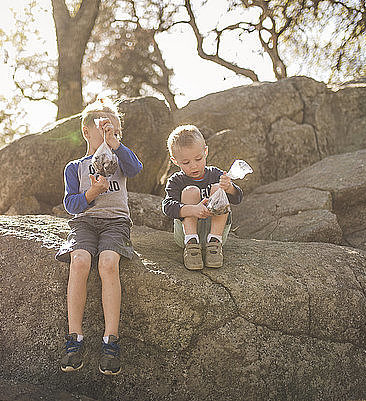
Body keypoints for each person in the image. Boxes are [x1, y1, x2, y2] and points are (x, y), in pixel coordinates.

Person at [55, 97, 143, 376]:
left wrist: (116, 145)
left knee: (107, 262)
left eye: (113, 130)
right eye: (102, 128)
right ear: (85, 131)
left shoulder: (120, 161)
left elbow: (136, 169)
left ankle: (111, 340)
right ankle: (75, 337)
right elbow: (71, 205)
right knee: (79, 260)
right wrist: (91, 194)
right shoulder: (75, 167)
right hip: (85, 223)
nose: (107, 134)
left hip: (116, 223)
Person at [161, 124, 243, 270]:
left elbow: (237, 198)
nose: (193, 166)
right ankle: (192, 246)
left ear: (205, 152)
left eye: (198, 159)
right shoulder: (176, 180)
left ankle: (214, 244)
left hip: (216, 232)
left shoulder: (215, 174)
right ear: (175, 161)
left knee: (219, 188)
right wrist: (191, 210)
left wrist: (229, 187)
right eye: (186, 163)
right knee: (190, 191)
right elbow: (167, 207)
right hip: (187, 234)